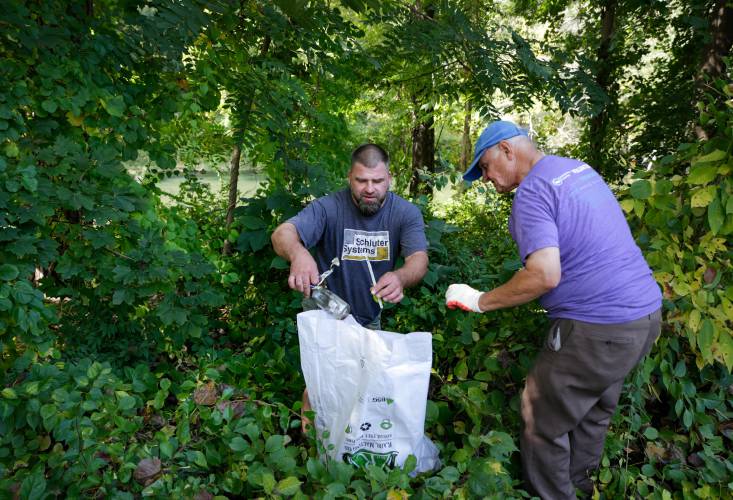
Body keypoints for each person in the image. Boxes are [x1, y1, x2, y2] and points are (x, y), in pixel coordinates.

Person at [444, 121, 662, 499]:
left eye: (484, 166)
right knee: (592, 412)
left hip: (597, 327)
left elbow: (544, 274)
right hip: (643, 318)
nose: (485, 178)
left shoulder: (532, 193)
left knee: (540, 420)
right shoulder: (575, 169)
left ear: (508, 151)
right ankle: (580, 486)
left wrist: (481, 300)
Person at [271, 143, 429, 430]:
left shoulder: (405, 213)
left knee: (365, 385)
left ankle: (353, 441)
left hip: (370, 317)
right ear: (349, 178)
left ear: (389, 179)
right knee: (320, 387)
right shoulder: (329, 208)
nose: (369, 188)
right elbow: (283, 233)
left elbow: (418, 259)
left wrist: (401, 277)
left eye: (377, 181)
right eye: (361, 181)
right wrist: (299, 253)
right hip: (325, 314)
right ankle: (313, 446)